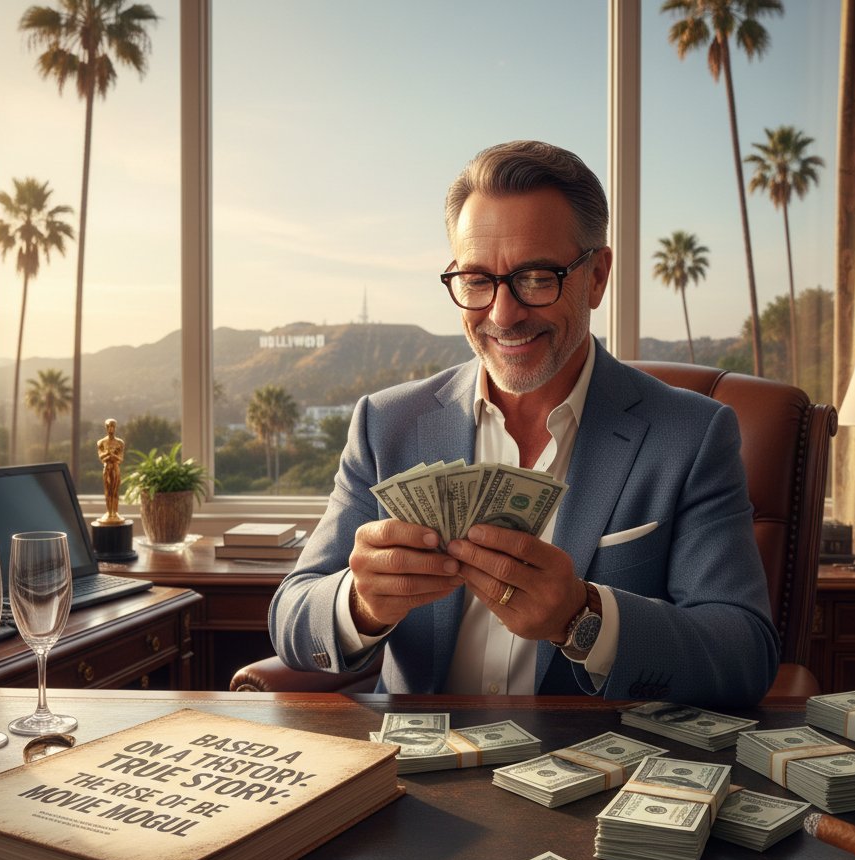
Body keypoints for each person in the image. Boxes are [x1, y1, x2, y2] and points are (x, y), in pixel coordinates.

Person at [269, 140, 778, 706]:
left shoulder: (691, 435)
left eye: (536, 277)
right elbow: (292, 614)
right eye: (476, 279)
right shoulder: (386, 424)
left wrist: (582, 619)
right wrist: (361, 604)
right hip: (414, 768)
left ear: (598, 275)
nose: (502, 314)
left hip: (590, 773)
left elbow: (743, 654)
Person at [97, 418, 125, 524]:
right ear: (106, 427)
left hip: (115, 468)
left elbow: (120, 459)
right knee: (108, 491)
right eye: (108, 426)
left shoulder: (120, 443)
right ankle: (109, 512)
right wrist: (110, 455)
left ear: (115, 427)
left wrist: (110, 454)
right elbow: (101, 457)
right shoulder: (101, 442)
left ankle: (115, 512)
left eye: (112, 426)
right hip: (107, 468)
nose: (110, 429)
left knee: (115, 491)